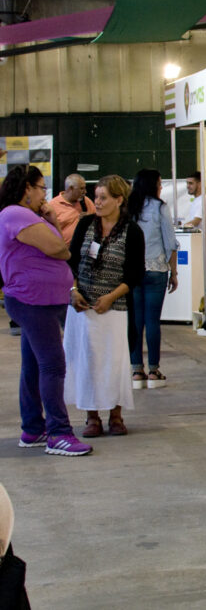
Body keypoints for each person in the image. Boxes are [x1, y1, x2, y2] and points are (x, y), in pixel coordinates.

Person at [0, 166, 91, 456]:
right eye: (41, 187)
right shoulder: (16, 214)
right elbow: (59, 249)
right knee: (53, 364)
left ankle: (33, 429)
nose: (45, 194)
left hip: (38, 301)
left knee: (33, 366)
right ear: (27, 188)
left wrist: (50, 220)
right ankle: (59, 433)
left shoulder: (28, 215)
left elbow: (57, 247)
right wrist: (52, 224)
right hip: (33, 301)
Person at [65, 175, 144, 438]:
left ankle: (116, 415)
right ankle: (92, 416)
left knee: (114, 361)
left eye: (102, 198)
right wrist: (74, 290)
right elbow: (71, 262)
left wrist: (111, 297)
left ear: (119, 200)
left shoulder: (132, 231)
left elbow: (134, 274)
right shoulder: (85, 224)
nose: (96, 202)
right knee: (88, 360)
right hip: (83, 308)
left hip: (115, 309)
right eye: (95, 197)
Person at [127, 169, 178, 390]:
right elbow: (170, 242)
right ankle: (154, 371)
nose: (160, 186)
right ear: (153, 185)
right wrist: (174, 272)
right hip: (157, 269)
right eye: (159, 183)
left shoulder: (128, 208)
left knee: (135, 321)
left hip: (132, 271)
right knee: (152, 321)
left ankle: (136, 371)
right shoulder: (160, 207)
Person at [49, 173, 96, 245]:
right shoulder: (53, 205)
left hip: (84, 247)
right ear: (70, 188)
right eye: (81, 188)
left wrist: (88, 219)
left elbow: (98, 221)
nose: (85, 192)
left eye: (85, 188)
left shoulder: (87, 201)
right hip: (63, 249)